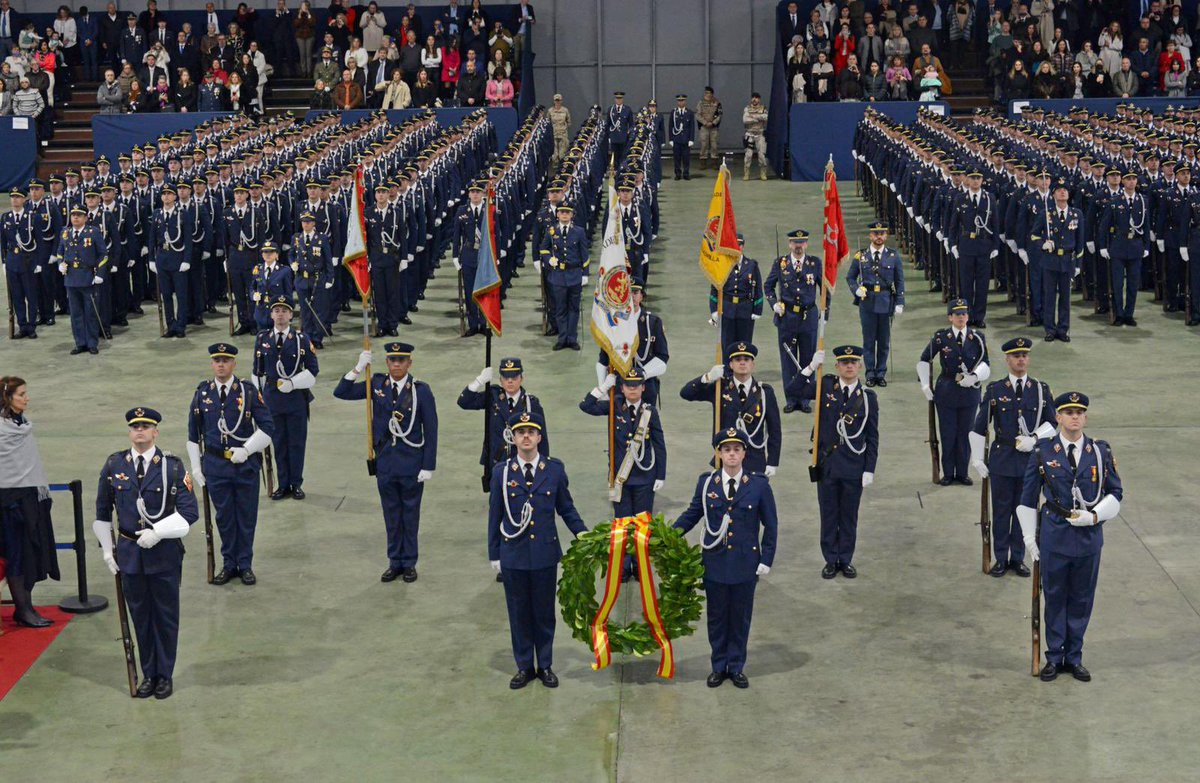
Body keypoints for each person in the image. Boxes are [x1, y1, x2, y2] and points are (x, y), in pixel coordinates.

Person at [1017, 392, 1123, 683]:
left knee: (1081, 599)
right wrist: (1028, 537)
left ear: (1085, 418)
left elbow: (1116, 493)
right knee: (1054, 597)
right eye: (1069, 412)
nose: (1075, 417)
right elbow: (1027, 499)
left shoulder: (1099, 452)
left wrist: (1095, 516)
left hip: (1089, 538)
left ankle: (1074, 657)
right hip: (1055, 536)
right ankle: (1054, 657)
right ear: (1059, 418)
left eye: (1080, 412)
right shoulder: (1042, 452)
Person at [93, 407, 197, 699]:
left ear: (155, 432)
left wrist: (159, 532)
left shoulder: (172, 467)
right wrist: (107, 550)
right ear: (129, 431)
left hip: (163, 554)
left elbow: (190, 513)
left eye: (145, 426)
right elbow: (102, 512)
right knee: (139, 616)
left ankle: (165, 674)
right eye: (135, 426)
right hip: (129, 555)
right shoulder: (115, 464)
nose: (140, 431)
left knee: (165, 616)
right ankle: (148, 673)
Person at [488, 411, 585, 690]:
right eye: (521, 432)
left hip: (544, 554)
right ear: (514, 438)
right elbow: (494, 515)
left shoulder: (554, 470)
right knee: (518, 613)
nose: (526, 436)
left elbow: (566, 508)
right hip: (514, 555)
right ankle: (523, 666)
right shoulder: (502, 473)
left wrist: (583, 534)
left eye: (531, 432)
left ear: (540, 437)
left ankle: (544, 664)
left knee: (543, 613)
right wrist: (494, 553)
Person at [674, 427, 777, 688]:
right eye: (726, 450)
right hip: (715, 561)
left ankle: (737, 666)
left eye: (737, 450)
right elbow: (693, 513)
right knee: (717, 617)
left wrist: (766, 559)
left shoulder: (758, 485)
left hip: (745, 563)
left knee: (740, 617)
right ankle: (719, 666)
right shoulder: (707, 483)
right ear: (718, 453)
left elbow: (771, 525)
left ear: (744, 453)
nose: (732, 454)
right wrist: (667, 534)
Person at [334, 343, 438, 584]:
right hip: (386, 463)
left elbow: (431, 430)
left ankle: (409, 562)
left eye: (402, 360)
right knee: (391, 514)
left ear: (409, 363)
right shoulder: (377, 384)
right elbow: (342, 392)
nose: (397, 364)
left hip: (412, 463)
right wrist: (358, 368)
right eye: (393, 360)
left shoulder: (420, 391)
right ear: (387, 363)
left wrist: (428, 465)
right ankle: (394, 561)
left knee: (410, 515)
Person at [186, 343, 275, 586]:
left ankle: (245, 565)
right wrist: (195, 468)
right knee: (224, 518)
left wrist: (247, 449)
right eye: (217, 360)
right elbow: (193, 436)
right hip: (216, 466)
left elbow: (268, 428)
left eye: (226, 360)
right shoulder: (202, 393)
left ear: (234, 363)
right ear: (212, 364)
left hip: (244, 466)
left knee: (246, 517)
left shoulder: (247, 391)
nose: (221, 364)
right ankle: (228, 564)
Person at [785, 344, 877, 578]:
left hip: (854, 466)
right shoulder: (825, 385)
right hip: (827, 465)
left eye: (853, 362)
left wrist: (869, 469)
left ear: (860, 366)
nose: (849, 366)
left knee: (848, 516)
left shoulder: (867, 398)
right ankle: (830, 559)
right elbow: (794, 389)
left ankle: (845, 559)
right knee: (828, 515)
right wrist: (811, 366)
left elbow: (872, 436)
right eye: (844, 363)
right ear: (836, 366)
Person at [969, 337, 1054, 578]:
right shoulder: (996, 390)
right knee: (1001, 511)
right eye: (1016, 356)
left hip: (1030, 462)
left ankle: (1018, 557)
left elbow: (1052, 423)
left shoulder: (1040, 390)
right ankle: (1000, 557)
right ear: (1007, 360)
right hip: (1002, 460)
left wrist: (1035, 438)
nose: (1021, 360)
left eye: (1024, 356)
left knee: (1025, 510)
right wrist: (977, 459)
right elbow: (979, 426)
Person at [580, 365, 667, 580]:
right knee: (621, 523)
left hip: (644, 477)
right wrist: (603, 387)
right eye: (628, 385)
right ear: (622, 387)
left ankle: (639, 565)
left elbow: (659, 443)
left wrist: (660, 475)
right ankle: (623, 565)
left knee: (642, 525)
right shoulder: (613, 406)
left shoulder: (649, 411)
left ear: (643, 387)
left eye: (636, 385)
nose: (632, 390)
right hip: (620, 477)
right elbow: (586, 406)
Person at [0, 377, 59, 628]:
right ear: (7, 397)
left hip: (30, 495)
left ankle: (27, 607)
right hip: (8, 500)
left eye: (26, 393)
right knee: (16, 555)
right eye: (21, 394)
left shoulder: (21, 423)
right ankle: (23, 609)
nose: (27, 398)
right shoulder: (2, 429)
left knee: (30, 553)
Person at [917, 299, 991, 486]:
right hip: (947, 391)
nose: (961, 317)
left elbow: (985, 364)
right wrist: (925, 384)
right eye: (957, 314)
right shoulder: (941, 338)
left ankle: (963, 472)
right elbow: (924, 360)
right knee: (948, 434)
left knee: (966, 434)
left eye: (964, 314)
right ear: (950, 317)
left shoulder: (978, 338)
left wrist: (974, 377)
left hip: (969, 392)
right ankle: (948, 472)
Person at [679, 342, 781, 476]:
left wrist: (772, 462)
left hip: (754, 459)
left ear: (753, 364)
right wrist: (707, 377)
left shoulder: (764, 392)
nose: (742, 363)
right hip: (726, 458)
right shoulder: (720, 388)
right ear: (731, 365)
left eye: (746, 359)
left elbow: (774, 430)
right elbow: (686, 393)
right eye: (738, 360)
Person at [253, 298, 317, 502]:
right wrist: (258, 396)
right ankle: (283, 484)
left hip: (296, 398)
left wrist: (294, 383)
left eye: (284, 311)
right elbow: (257, 370)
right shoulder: (263, 338)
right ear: (271, 315)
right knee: (279, 442)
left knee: (297, 443)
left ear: (291, 315)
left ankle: (296, 483)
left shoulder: (301, 339)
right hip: (272, 397)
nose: (280, 314)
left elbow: (313, 370)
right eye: (276, 311)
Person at [459, 357, 549, 489]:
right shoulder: (493, 397)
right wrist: (479, 381)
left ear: (521, 379)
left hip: (522, 460)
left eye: (514, 377)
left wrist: (543, 466)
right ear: (500, 380)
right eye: (506, 378)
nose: (510, 381)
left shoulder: (531, 404)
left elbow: (542, 438)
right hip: (496, 460)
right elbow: (464, 402)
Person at [765, 229, 821, 414]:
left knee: (807, 359)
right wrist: (774, 304)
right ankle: (791, 398)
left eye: (802, 242)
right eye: (795, 242)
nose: (798, 245)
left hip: (808, 317)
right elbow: (768, 286)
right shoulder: (780, 263)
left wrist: (824, 310)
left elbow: (825, 287)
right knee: (788, 361)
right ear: (790, 244)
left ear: (806, 244)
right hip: (787, 318)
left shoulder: (814, 263)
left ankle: (805, 399)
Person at [845, 222, 904, 387]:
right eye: (876, 233)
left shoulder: (893, 256)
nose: (879, 236)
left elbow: (899, 281)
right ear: (870, 236)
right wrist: (856, 290)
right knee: (869, 340)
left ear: (886, 236)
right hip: (867, 301)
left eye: (882, 233)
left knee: (884, 341)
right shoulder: (861, 256)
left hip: (886, 301)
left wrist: (900, 301)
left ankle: (881, 373)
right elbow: (850, 277)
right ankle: (870, 373)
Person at [593, 278, 669, 406]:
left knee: (646, 424)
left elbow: (663, 357)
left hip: (646, 385)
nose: (631, 297)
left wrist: (641, 376)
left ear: (641, 296)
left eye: (635, 292)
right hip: (619, 386)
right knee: (620, 425)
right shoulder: (612, 324)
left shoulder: (653, 322)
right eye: (626, 293)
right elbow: (603, 360)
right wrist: (603, 388)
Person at [51, 205, 106, 354]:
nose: (75, 217)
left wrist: (100, 273)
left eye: (79, 215)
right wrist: (60, 264)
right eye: (73, 214)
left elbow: (103, 254)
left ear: (85, 218)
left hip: (88, 277)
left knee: (90, 312)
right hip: (71, 278)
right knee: (75, 313)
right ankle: (80, 342)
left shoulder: (93, 232)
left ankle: (92, 343)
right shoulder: (65, 232)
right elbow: (60, 252)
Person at [948, 169, 1000, 327]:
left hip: (984, 246)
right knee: (966, 284)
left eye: (978, 177)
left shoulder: (989, 198)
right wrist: (952, 244)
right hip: (966, 245)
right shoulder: (960, 198)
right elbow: (953, 224)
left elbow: (995, 224)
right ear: (967, 180)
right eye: (972, 177)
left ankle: (980, 316)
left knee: (983, 284)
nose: (976, 180)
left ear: (982, 180)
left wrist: (996, 245)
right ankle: (967, 315)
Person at [537, 201, 589, 350]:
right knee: (560, 309)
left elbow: (584, 254)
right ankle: (562, 338)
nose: (565, 215)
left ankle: (572, 338)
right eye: (562, 212)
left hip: (574, 274)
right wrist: (548, 260)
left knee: (573, 308)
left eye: (568, 212)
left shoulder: (579, 231)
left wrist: (585, 273)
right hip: (558, 275)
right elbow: (544, 249)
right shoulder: (551, 231)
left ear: (572, 215)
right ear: (557, 214)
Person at [1039, 178, 1084, 341]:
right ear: (1053, 194)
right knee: (1050, 297)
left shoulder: (1076, 214)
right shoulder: (1046, 213)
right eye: (1058, 190)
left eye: (1065, 189)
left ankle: (1063, 329)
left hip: (1067, 260)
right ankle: (1050, 329)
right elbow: (1034, 235)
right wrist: (1043, 243)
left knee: (1065, 298)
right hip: (1050, 260)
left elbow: (1080, 241)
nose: (1062, 192)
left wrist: (1078, 264)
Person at [742, 92, 769, 180]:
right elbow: (745, 120)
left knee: (761, 156)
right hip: (749, 134)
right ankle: (746, 173)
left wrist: (753, 116)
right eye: (753, 97)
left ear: (759, 99)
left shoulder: (763, 108)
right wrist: (758, 118)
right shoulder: (747, 108)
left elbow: (766, 117)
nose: (754, 99)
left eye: (756, 97)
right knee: (748, 155)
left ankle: (763, 173)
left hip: (760, 134)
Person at [667, 93, 694, 180]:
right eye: (679, 100)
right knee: (677, 158)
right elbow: (670, 126)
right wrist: (671, 139)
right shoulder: (674, 112)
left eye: (682, 100)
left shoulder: (689, 113)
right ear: (677, 102)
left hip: (686, 139)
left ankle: (686, 173)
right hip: (676, 139)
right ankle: (678, 173)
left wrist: (691, 139)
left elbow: (692, 127)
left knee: (686, 158)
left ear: (685, 101)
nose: (681, 102)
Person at [695, 86, 722, 170]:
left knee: (714, 145)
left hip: (713, 128)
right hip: (704, 127)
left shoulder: (717, 103)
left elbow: (719, 115)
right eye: (706, 93)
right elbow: (697, 115)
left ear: (712, 94)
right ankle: (703, 162)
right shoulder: (700, 103)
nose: (707, 94)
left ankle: (715, 162)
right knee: (704, 144)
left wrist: (713, 123)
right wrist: (705, 122)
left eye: (709, 93)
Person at [607, 90, 633, 163]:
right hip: (614, 137)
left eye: (620, 98)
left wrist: (629, 132)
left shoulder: (627, 109)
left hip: (624, 138)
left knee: (623, 156)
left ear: (622, 99)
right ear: (615, 99)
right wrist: (609, 136)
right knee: (614, 157)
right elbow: (608, 124)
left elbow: (631, 124)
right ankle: (615, 171)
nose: (618, 100)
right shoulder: (611, 110)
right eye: (617, 98)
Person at [548, 93, 570, 166]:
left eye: (559, 100)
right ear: (554, 101)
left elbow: (568, 121)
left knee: (562, 152)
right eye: (556, 100)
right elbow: (547, 122)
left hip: (562, 133)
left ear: (561, 101)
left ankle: (562, 163)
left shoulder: (565, 110)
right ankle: (555, 163)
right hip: (554, 133)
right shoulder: (550, 111)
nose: (557, 102)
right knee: (554, 151)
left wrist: (564, 128)